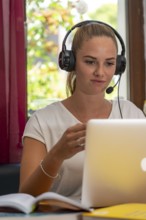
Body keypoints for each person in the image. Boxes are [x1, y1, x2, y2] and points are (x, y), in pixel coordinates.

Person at [19, 20, 145, 199]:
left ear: (118, 67)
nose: (100, 72)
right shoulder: (42, 121)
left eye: (109, 63)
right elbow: (25, 196)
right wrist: (57, 155)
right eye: (90, 62)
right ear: (70, 63)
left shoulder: (132, 114)